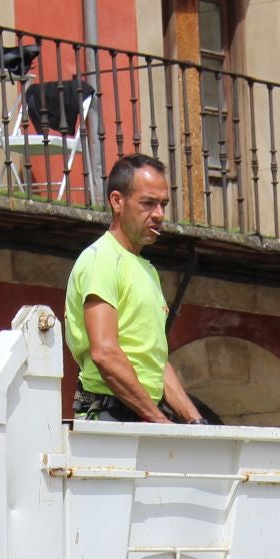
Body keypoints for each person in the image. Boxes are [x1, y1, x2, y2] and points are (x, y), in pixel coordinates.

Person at [64, 153, 204, 425]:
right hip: (109, 418)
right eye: (148, 203)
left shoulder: (146, 269)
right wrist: (160, 421)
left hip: (140, 418)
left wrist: (196, 422)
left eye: (163, 204)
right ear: (117, 201)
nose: (159, 214)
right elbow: (105, 353)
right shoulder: (101, 259)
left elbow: (155, 363)